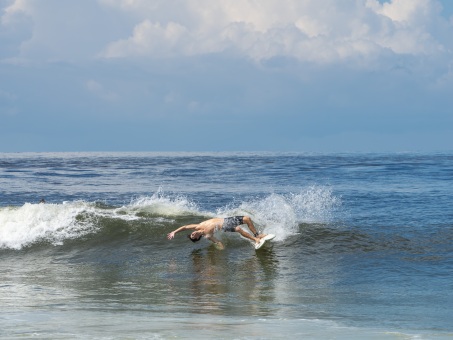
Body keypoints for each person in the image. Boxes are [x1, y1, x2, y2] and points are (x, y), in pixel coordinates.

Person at [167, 216, 267, 250]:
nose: (193, 233)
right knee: (238, 229)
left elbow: (184, 227)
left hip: (226, 220)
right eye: (193, 236)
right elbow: (218, 242)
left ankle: (257, 235)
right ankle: (256, 240)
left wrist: (174, 232)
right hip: (223, 226)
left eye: (192, 234)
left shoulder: (197, 226)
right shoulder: (207, 235)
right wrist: (221, 250)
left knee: (247, 219)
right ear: (197, 238)